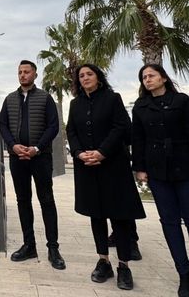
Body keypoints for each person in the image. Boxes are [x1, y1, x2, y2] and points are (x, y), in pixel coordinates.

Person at [132, 63, 189, 297]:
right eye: (144, 77)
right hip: (158, 172)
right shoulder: (141, 105)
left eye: (152, 75)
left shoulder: (181, 101)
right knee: (169, 223)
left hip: (187, 170)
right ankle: (184, 273)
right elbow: (138, 138)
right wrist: (139, 167)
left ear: (163, 78)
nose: (147, 80)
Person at [66, 64, 145, 290]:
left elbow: (121, 127)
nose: (85, 78)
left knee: (118, 216)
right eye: (81, 76)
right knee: (96, 215)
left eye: (89, 74)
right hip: (87, 167)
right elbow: (71, 131)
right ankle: (103, 261)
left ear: (98, 77)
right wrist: (79, 153)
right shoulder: (75, 104)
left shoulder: (112, 98)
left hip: (112, 165)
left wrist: (102, 152)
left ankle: (123, 265)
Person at [0, 60, 65, 270]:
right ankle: (29, 245)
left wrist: (36, 147)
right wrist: (13, 145)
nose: (22, 75)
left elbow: (53, 126)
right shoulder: (9, 99)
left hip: (40, 157)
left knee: (46, 200)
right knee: (22, 200)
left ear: (35, 75)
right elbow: (3, 125)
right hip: (18, 158)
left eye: (27, 72)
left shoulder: (45, 98)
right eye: (20, 72)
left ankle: (53, 248)